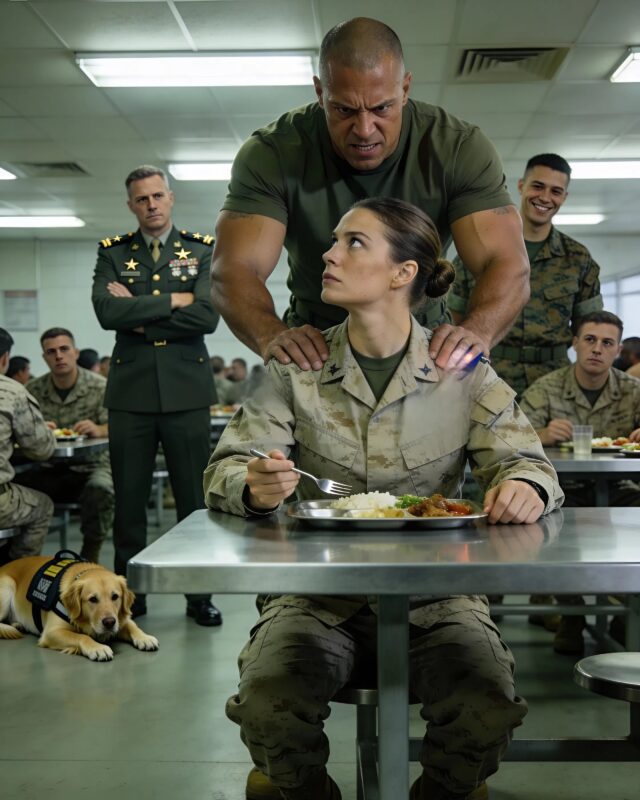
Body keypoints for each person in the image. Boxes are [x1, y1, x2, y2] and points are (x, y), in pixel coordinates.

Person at [204, 198, 563, 800]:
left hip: (438, 594)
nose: (328, 253)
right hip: (317, 594)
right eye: (334, 240)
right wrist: (252, 485)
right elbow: (226, 467)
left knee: (486, 707)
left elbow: (527, 462)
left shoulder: (460, 370)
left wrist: (526, 487)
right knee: (267, 706)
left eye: (353, 242)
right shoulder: (296, 368)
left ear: (403, 273)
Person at [211, 16, 529, 378]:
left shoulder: (458, 148)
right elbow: (235, 269)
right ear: (320, 93)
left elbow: (506, 262)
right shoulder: (272, 154)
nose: (364, 130)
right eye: (344, 110)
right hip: (313, 348)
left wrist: (477, 332)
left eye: (382, 108)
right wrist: (270, 334)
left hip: (425, 344)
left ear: (405, 89)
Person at [91, 164, 222, 627]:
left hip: (187, 391)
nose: (151, 205)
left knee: (194, 502)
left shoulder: (201, 249)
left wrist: (138, 313)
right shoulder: (113, 252)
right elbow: (107, 312)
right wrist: (173, 301)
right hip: (131, 394)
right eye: (141, 199)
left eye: (157, 196)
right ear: (131, 205)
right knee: (129, 502)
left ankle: (199, 595)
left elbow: (208, 316)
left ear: (170, 197)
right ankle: (129, 597)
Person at [519, 310, 640, 654]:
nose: (597, 349)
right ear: (575, 343)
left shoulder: (633, 390)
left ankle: (627, 614)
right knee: (546, 529)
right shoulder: (547, 388)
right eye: (590, 339)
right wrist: (542, 433)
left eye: (607, 343)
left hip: (620, 488)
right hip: (563, 491)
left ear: (618, 350)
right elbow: (511, 437)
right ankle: (571, 614)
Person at [448, 153, 603, 397]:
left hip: (554, 380)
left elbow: (591, 326)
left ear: (564, 197)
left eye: (555, 191)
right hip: (490, 373)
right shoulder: (481, 249)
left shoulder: (578, 259)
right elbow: (454, 318)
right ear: (521, 186)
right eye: (538, 186)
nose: (545, 197)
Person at [20, 327, 114, 563]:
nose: (59, 356)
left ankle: (90, 553)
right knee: (12, 487)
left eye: (64, 349)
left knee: (101, 488)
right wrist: (37, 429)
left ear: (76, 352)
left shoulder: (99, 386)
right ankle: (23, 560)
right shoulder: (32, 390)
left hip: (92, 465)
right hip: (47, 467)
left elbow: (118, 426)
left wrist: (100, 429)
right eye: (51, 352)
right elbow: (19, 433)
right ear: (44, 357)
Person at [0, 328, 55, 566]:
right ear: (5, 358)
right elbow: (41, 450)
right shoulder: (12, 390)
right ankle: (16, 575)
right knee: (43, 507)